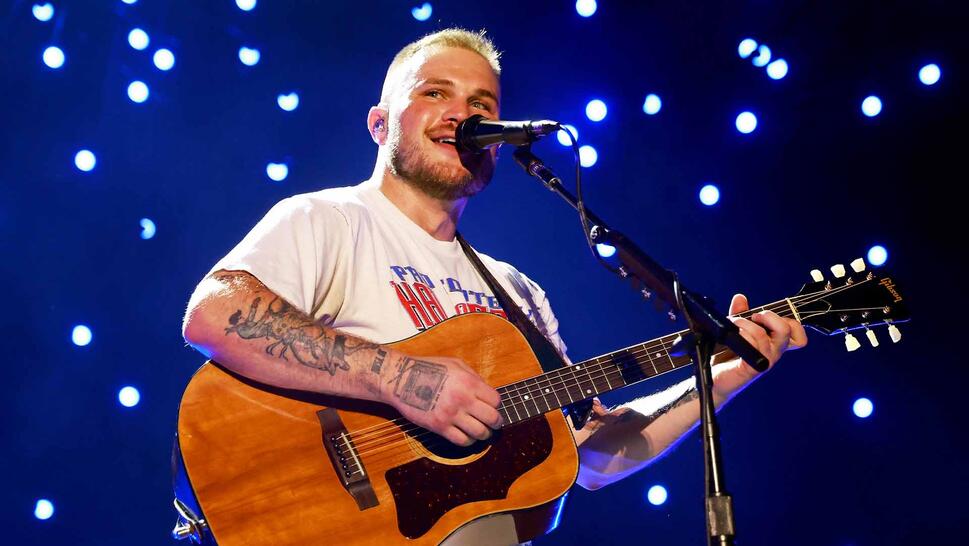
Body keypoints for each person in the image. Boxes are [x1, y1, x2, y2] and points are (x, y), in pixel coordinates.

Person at [181, 28, 807, 545]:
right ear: (380, 123)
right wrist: (403, 379)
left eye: (482, 106)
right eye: (435, 92)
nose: (463, 114)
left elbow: (589, 454)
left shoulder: (517, 293)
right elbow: (214, 313)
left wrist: (721, 376)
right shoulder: (329, 220)